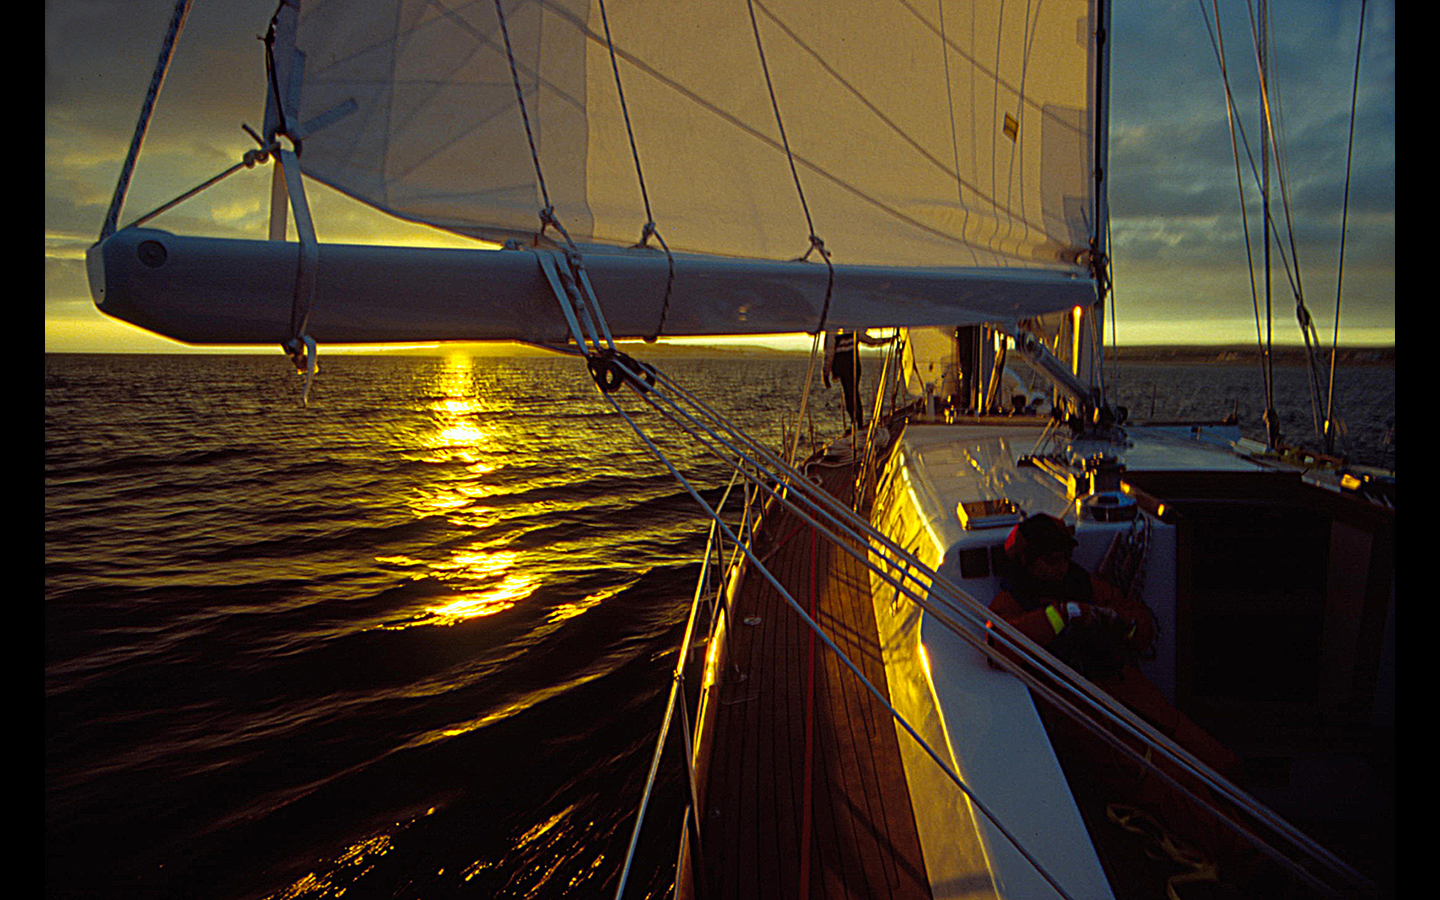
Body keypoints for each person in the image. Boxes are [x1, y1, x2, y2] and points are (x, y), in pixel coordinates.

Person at [823, 328, 892, 430]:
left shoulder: (832, 332)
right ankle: (857, 421)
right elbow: (869, 341)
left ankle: (856, 423)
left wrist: (826, 373)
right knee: (854, 394)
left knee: (850, 395)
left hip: (844, 368)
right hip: (854, 366)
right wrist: (887, 340)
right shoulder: (853, 329)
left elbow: (829, 354)